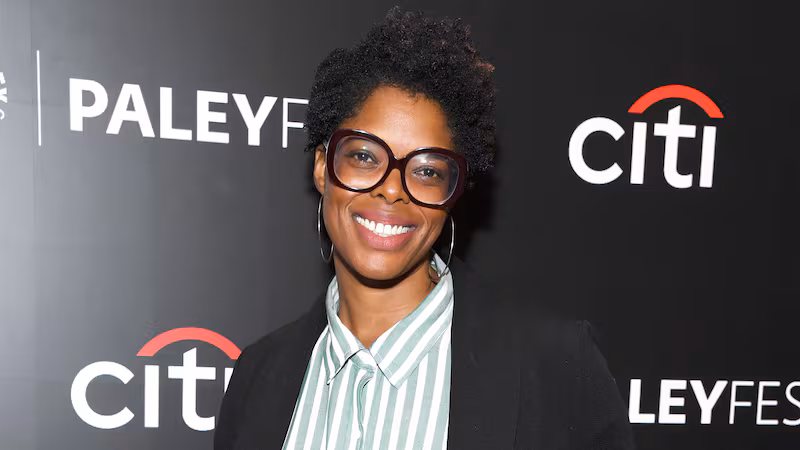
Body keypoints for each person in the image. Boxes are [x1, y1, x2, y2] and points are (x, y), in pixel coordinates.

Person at [214, 7, 634, 450]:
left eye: (428, 171)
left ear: (453, 193)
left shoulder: (556, 369)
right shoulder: (256, 378)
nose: (393, 190)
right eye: (363, 156)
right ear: (323, 167)